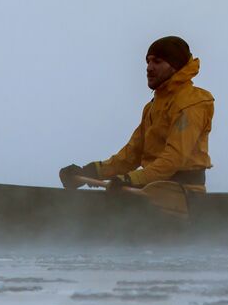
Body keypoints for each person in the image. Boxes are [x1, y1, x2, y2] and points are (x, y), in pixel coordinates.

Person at [59, 36, 215, 192]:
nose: (149, 67)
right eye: (148, 61)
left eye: (157, 61)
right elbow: (131, 155)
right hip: (150, 192)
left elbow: (173, 160)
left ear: (175, 66)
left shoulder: (191, 103)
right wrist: (90, 171)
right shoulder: (152, 107)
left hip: (183, 196)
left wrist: (132, 179)